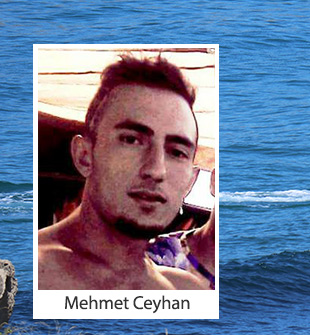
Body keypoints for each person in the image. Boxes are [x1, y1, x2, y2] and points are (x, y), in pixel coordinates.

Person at [38, 56, 209, 290]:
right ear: (84, 156)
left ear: (191, 180)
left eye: (177, 152)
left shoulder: (190, 291)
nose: (156, 170)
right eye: (131, 140)